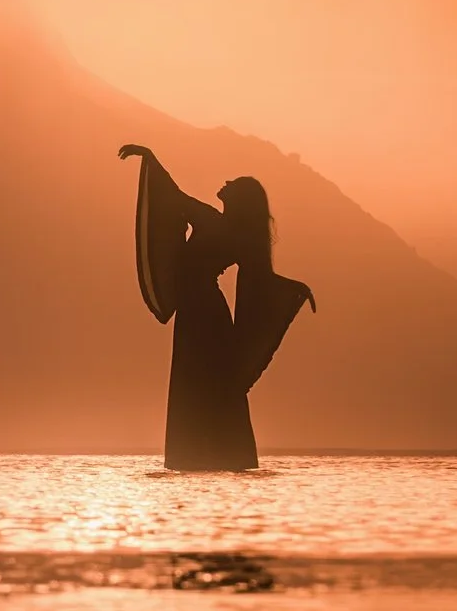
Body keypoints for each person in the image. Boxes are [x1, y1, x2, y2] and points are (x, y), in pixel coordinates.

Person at [119, 146, 315, 471]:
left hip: (201, 315)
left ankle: (197, 457)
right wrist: (149, 157)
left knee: (200, 384)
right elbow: (175, 199)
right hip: (203, 312)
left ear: (239, 199)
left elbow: (174, 198)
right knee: (212, 386)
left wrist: (149, 156)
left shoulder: (213, 222)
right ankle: (222, 456)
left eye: (233, 183)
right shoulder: (232, 233)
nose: (225, 181)